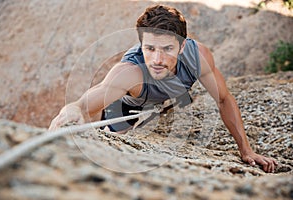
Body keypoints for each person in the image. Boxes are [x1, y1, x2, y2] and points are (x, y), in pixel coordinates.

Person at [49, 5, 278, 173]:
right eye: (149, 48)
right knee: (111, 148)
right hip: (130, 105)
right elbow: (94, 96)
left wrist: (246, 151)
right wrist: (74, 108)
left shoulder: (198, 55)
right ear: (141, 45)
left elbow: (224, 99)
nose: (157, 59)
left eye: (167, 48)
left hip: (172, 94)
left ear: (182, 46)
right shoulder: (130, 73)